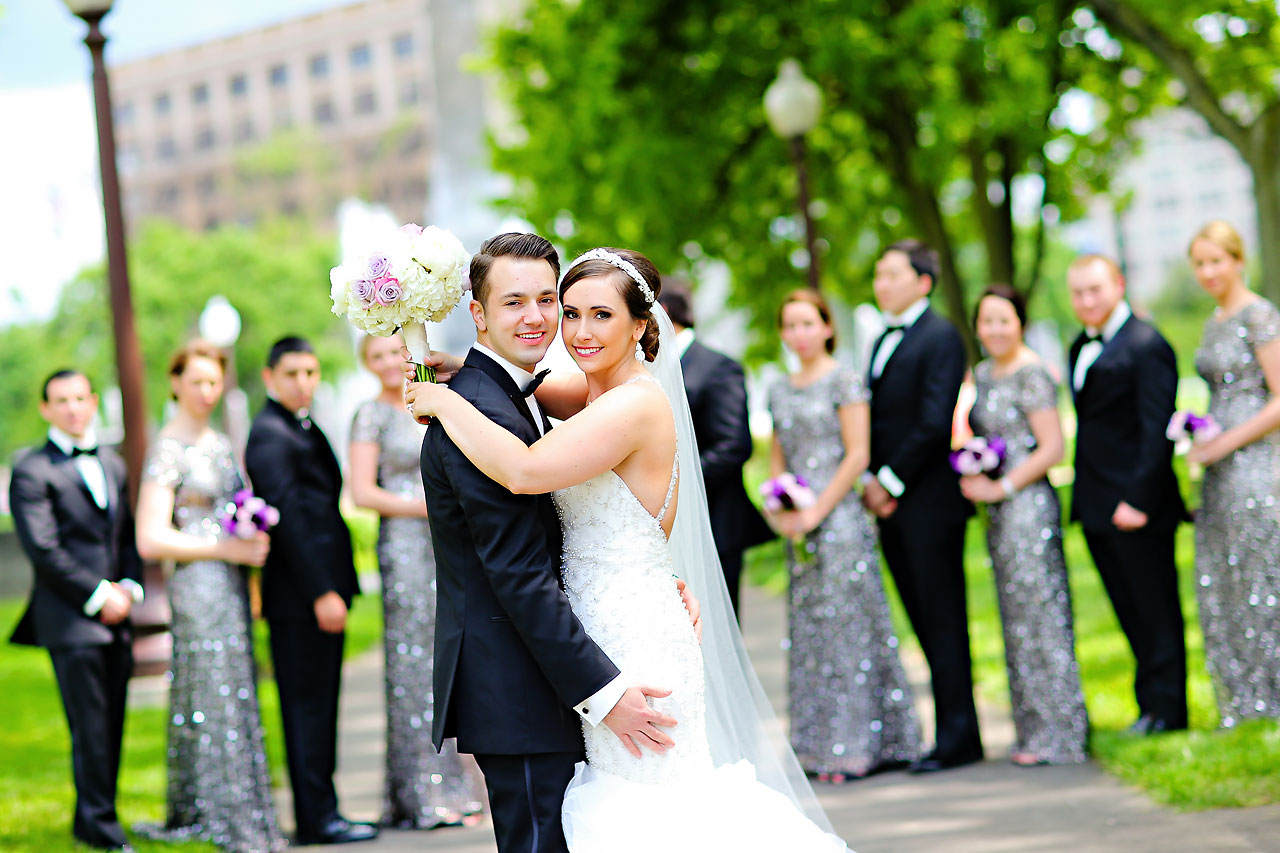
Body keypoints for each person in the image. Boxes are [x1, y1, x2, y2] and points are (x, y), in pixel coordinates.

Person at [407, 242, 846, 851]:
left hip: (630, 640)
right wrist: (459, 367)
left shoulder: (634, 403)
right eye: (571, 312)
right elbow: (525, 387)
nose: (578, 331)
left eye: (600, 315)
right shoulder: (587, 393)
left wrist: (443, 400)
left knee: (654, 817)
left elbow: (526, 471)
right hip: (604, 628)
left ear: (642, 325)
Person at [132, 341, 285, 852]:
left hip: (232, 584)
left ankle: (237, 805)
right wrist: (224, 548)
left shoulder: (219, 441)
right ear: (175, 383)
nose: (206, 391)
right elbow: (150, 537)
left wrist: (248, 539)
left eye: (213, 381)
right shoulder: (168, 448)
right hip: (198, 584)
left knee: (233, 688)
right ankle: (222, 813)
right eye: (196, 381)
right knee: (210, 690)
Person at [766, 288, 920, 782]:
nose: (799, 334)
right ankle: (817, 746)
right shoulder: (778, 388)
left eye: (808, 323)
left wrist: (818, 510)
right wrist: (780, 505)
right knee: (812, 635)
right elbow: (777, 458)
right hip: (799, 525)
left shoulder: (844, 379)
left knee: (851, 629)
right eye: (790, 325)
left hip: (841, 522)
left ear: (827, 327)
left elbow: (857, 455)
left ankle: (860, 745)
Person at [244, 337, 377, 846]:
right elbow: (290, 522)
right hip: (301, 598)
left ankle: (323, 810)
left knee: (321, 705)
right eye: (292, 373)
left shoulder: (298, 425)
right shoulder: (269, 435)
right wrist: (322, 591)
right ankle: (318, 818)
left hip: (316, 591)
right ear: (269, 377)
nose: (304, 383)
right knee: (308, 709)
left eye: (310, 372)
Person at [348, 333, 484, 827]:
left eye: (395, 352)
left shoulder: (432, 397)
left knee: (454, 655)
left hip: (447, 542)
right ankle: (420, 792)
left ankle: (459, 785)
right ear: (367, 363)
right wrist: (425, 506)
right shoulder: (370, 415)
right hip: (404, 546)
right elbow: (362, 492)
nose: (388, 362)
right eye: (377, 355)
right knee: (412, 662)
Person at [9, 369, 143, 851]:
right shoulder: (31, 470)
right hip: (70, 618)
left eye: (80, 398)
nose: (72, 408)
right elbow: (43, 549)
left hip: (119, 614)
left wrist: (129, 587)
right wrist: (100, 594)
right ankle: (103, 829)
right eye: (61, 400)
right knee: (89, 727)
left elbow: (125, 535)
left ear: (93, 402)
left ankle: (91, 818)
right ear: (45, 408)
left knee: (114, 724)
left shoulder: (113, 463)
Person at [861, 240, 982, 773]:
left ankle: (959, 738)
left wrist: (888, 482)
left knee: (943, 620)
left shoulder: (941, 336)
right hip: (893, 507)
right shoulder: (880, 339)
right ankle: (949, 732)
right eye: (878, 275)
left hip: (930, 504)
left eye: (892, 274)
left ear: (923, 282)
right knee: (921, 620)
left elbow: (935, 422)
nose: (881, 284)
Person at [960, 285, 1088, 765]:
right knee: (1016, 620)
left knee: (1043, 615)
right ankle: (1031, 730)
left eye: (1004, 320)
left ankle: (1062, 731)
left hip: (1029, 507)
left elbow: (1053, 447)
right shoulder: (982, 374)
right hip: (997, 515)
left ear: (1021, 323)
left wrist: (1003, 488)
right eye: (986, 320)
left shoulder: (1032, 371)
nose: (994, 330)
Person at [1067, 254, 1188, 734]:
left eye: (1094, 289)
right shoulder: (1079, 344)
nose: (1086, 300)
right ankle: (1148, 707)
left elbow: (1157, 428)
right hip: (1096, 503)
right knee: (1128, 609)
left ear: (1118, 284)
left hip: (1139, 504)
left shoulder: (1146, 343)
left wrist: (1138, 500)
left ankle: (1169, 712)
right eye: (1078, 293)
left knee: (1156, 609)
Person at [1185, 222, 1280, 726]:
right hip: (1218, 469)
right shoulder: (1213, 320)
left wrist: (1225, 442)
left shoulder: (1259, 314)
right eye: (1199, 264)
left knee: (1263, 575)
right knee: (1227, 579)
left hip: (1256, 466)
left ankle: (1272, 694)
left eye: (1216, 261)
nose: (1208, 272)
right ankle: (1245, 699)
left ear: (1238, 260)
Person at [657, 281, 773, 616]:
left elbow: (734, 445)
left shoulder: (718, 367)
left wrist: (670, 481)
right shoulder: (651, 367)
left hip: (716, 521)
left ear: (663, 313)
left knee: (717, 620)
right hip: (668, 530)